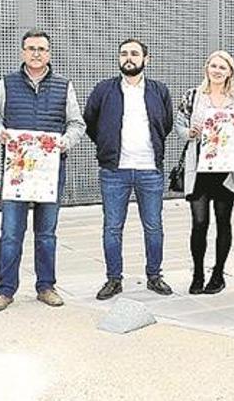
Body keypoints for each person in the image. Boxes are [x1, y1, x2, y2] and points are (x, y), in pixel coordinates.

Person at [0, 29, 85, 312]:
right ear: (22, 53)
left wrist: (65, 142)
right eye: (31, 48)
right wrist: (0, 134)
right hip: (17, 172)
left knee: (46, 234)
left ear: (49, 53)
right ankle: (5, 291)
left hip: (50, 172)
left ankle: (46, 287)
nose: (36, 53)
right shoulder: (7, 84)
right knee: (11, 233)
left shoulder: (64, 86)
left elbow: (77, 123)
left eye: (42, 49)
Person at [84, 38, 174, 300]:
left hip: (149, 169)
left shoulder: (159, 90)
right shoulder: (104, 89)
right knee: (112, 227)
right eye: (123, 53)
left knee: (154, 226)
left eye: (134, 53)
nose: (128, 58)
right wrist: (106, 144)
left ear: (147, 59)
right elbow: (91, 122)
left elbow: (165, 124)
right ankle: (114, 279)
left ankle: (154, 276)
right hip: (114, 170)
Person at [175, 50, 234, 294]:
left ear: (230, 73)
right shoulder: (193, 95)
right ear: (207, 68)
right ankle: (197, 273)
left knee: (223, 221)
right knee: (199, 221)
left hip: (225, 169)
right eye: (213, 66)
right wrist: (190, 132)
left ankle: (218, 274)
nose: (217, 71)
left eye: (223, 67)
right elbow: (180, 123)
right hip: (199, 168)